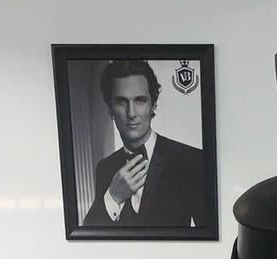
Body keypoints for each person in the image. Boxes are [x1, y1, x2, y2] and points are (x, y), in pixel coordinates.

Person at [83, 58, 204, 228]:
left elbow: (212, 234)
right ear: (110, 109)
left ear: (153, 105)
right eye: (121, 101)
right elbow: (90, 233)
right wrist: (113, 196)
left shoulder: (192, 161)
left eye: (140, 100)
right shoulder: (105, 168)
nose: (131, 113)